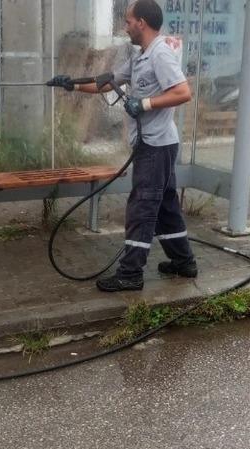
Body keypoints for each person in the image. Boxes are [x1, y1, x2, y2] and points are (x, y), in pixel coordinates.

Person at [46, 0, 196, 293]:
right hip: (153, 144)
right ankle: (184, 262)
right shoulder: (142, 55)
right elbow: (109, 82)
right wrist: (72, 85)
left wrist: (144, 103)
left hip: (156, 145)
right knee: (164, 205)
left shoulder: (161, 53)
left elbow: (183, 92)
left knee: (142, 205)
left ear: (141, 22)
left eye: (128, 22)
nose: (124, 27)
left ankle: (130, 274)